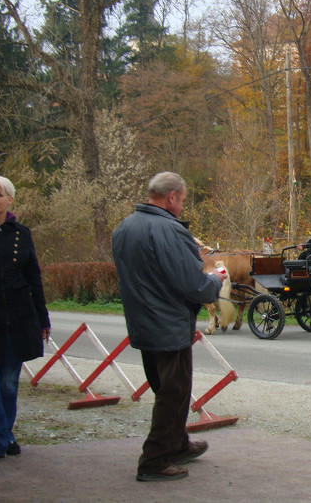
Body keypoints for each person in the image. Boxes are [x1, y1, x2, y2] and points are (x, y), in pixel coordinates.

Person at [111, 172, 226, 482]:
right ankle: (155, 460)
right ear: (172, 197)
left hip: (143, 322)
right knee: (173, 392)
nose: (182, 207)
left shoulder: (124, 228)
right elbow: (191, 283)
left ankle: (178, 444)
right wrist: (215, 281)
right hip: (169, 323)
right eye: (183, 200)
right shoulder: (169, 230)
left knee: (167, 387)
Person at [0, 176, 51, 461]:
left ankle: (5, 434)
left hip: (18, 319)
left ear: (9, 199)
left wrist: (42, 319)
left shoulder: (22, 233)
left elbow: (33, 277)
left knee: (8, 385)